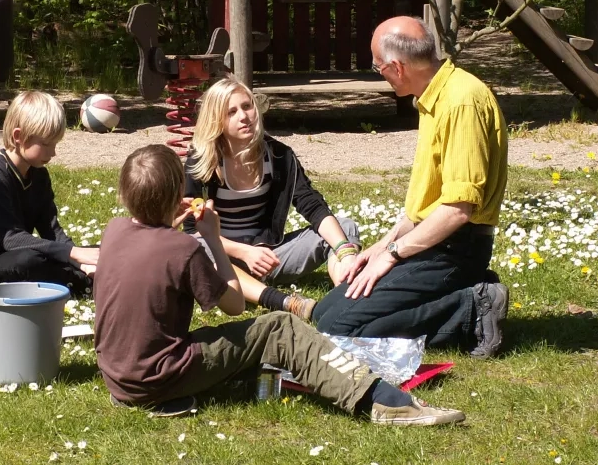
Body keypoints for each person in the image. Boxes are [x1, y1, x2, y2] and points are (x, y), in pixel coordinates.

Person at [92, 144, 466, 425]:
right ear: (178, 195)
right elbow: (236, 305)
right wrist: (212, 236)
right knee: (279, 328)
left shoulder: (113, 231)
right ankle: (380, 401)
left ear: (127, 196)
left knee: (249, 342)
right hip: (157, 378)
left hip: (118, 377)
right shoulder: (182, 247)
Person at [312, 16, 509, 359]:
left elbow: (457, 210)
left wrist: (392, 256)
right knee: (324, 313)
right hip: (431, 242)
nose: (381, 76)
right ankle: (457, 296)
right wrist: (379, 248)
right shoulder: (433, 97)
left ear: (396, 68)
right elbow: (426, 205)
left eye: (378, 69)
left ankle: (472, 308)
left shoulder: (461, 101)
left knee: (338, 330)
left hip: (455, 249)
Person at [183, 76, 361, 321]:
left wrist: (345, 252)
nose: (244, 116)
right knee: (193, 248)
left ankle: (346, 295)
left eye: (247, 106)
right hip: (221, 258)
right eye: (231, 112)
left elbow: (313, 206)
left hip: (270, 257)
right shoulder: (201, 161)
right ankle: (283, 302)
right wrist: (245, 252)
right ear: (216, 120)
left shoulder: (278, 156)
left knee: (345, 228)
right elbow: (191, 229)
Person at [0, 91, 97, 293]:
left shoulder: (39, 175)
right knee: (29, 261)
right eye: (46, 144)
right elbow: (13, 239)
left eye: (55, 144)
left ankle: (81, 276)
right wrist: (72, 254)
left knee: (98, 250)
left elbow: (52, 230)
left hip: (16, 254)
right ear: (18, 136)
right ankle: (84, 282)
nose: (53, 152)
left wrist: (81, 256)